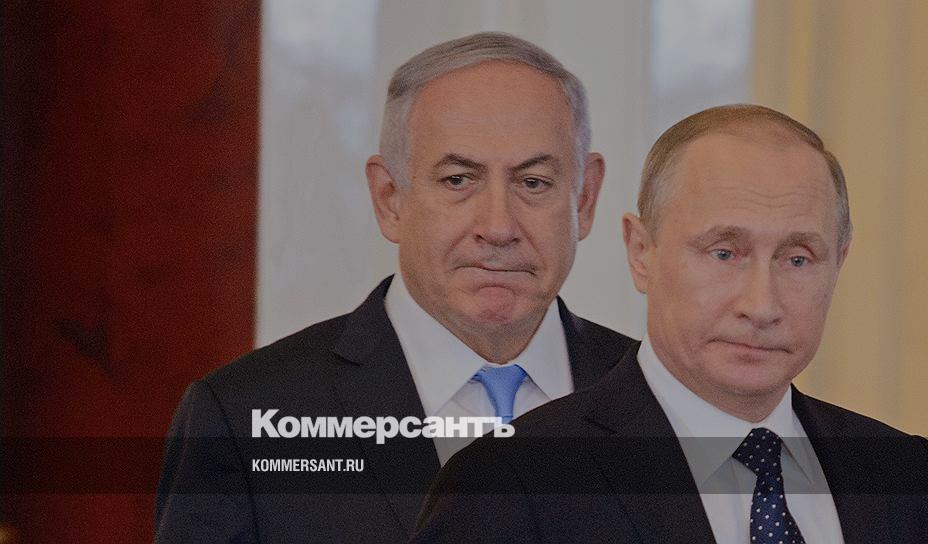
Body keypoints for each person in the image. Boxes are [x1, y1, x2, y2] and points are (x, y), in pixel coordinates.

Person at [154, 32, 635, 543]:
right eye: (458, 180)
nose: (498, 227)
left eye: (533, 182)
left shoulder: (664, 398)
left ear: (584, 198)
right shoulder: (245, 417)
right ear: (389, 199)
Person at [413, 104, 928, 543]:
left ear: (838, 264)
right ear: (641, 252)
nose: (761, 305)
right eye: (724, 253)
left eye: (798, 259)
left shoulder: (905, 477)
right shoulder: (510, 484)